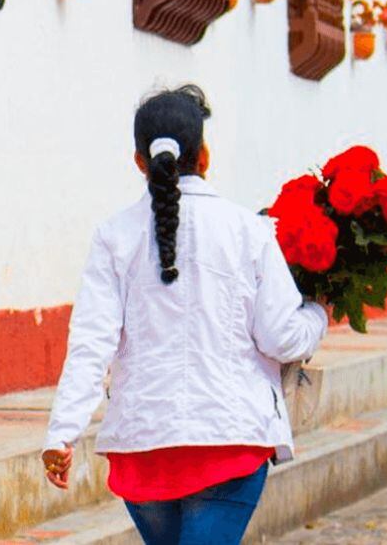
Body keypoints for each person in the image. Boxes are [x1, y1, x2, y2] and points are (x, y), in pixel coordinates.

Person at [40, 85, 329, 545]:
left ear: (139, 161)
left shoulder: (114, 236)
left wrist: (62, 435)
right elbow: (281, 337)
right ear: (206, 155)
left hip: (144, 449)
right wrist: (318, 315)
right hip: (230, 441)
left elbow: (92, 343)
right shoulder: (250, 232)